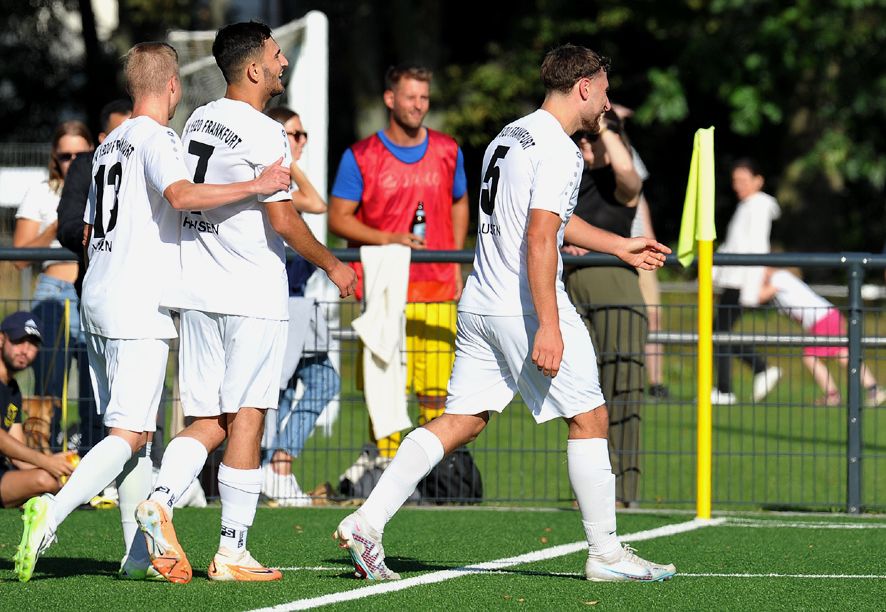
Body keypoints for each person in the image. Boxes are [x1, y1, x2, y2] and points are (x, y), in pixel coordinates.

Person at [333, 43, 675, 583]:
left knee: (461, 422)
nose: (607, 104)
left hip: (479, 305)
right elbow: (540, 236)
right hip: (523, 308)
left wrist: (619, 245)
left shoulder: (509, 136)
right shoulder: (560, 149)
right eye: (605, 92)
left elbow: (548, 219)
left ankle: (366, 522)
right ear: (584, 87)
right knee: (590, 417)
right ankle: (606, 554)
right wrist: (550, 325)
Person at [13, 41, 292, 583]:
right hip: (135, 304)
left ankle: (137, 559)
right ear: (172, 86)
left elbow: (89, 229)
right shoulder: (157, 137)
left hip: (96, 295)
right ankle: (53, 511)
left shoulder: (108, 145)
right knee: (129, 435)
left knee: (134, 439)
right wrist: (256, 185)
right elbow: (183, 195)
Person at [140, 22, 356, 584]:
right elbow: (283, 220)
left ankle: (159, 499)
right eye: (277, 55)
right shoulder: (266, 132)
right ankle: (232, 551)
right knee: (248, 419)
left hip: (196, 290)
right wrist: (332, 264)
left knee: (208, 420)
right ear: (255, 68)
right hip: (251, 294)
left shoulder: (198, 119)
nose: (283, 63)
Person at [328, 63, 469, 460]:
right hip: (384, 289)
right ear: (390, 99)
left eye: (424, 98)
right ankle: (385, 469)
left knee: (438, 394)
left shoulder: (447, 150)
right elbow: (338, 218)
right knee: (384, 390)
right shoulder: (361, 156)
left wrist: (455, 259)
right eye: (411, 97)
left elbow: (460, 201)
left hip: (437, 289)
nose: (419, 105)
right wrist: (389, 239)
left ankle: (433, 475)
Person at [563, 108, 645, 507]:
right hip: (568, 289)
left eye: (591, 138)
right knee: (578, 394)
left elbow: (630, 175)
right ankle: (588, 491)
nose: (585, 143)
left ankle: (624, 491)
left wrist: (606, 128)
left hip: (615, 291)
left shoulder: (618, 184)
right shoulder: (566, 181)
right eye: (580, 137)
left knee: (622, 390)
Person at [261, 106, 340, 505]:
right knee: (297, 386)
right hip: (283, 299)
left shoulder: (281, 176)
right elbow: (316, 203)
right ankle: (276, 466)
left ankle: (274, 466)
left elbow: (316, 202)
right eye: (295, 134)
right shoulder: (273, 177)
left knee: (295, 386)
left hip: (296, 300)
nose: (302, 141)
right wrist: (286, 157)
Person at [55, 98, 133, 460]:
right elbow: (69, 225)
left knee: (141, 404)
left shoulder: (154, 155)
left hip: (143, 299)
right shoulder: (87, 166)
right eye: (121, 130)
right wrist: (92, 233)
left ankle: (144, 475)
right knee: (97, 399)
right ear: (103, 137)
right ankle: (87, 477)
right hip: (100, 295)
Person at [13, 120, 95, 451]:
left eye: (80, 155)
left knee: (93, 386)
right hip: (53, 291)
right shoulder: (41, 192)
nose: (72, 162)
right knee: (49, 387)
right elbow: (19, 257)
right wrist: (59, 227)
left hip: (90, 291)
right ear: (54, 157)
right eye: (65, 156)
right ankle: (44, 459)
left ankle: (90, 456)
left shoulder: (101, 185)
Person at [759, 268, 886, 406]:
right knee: (842, 355)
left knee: (811, 357)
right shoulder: (780, 283)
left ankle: (834, 395)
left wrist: (746, 289)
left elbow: (759, 297)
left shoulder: (779, 277)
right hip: (824, 318)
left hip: (823, 319)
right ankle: (872, 389)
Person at [711, 159, 782, 405]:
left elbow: (757, 247)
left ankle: (727, 388)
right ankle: (755, 371)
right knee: (720, 332)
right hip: (733, 279)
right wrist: (713, 274)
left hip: (741, 281)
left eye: (743, 180)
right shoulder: (746, 206)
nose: (737, 185)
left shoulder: (759, 206)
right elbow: (733, 245)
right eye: (735, 181)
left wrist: (752, 290)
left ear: (758, 180)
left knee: (719, 332)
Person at [1, 312, 75, 508]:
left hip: (4, 474)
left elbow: (18, 451)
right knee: (46, 478)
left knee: (49, 479)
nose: (25, 350)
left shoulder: (13, 390)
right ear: (1, 339)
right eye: (19, 341)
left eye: (33, 344)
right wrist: (45, 461)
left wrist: (58, 466)